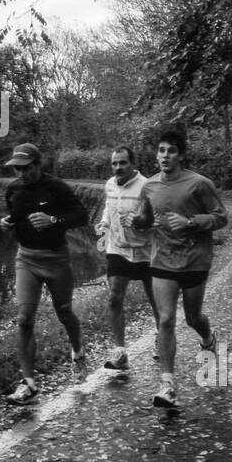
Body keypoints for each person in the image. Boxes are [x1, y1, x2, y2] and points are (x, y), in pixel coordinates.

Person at [131, 128, 228, 409]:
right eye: (161, 150)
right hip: (162, 258)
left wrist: (190, 222)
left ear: (181, 155)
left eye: (171, 151)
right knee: (165, 320)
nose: (165, 156)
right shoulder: (148, 186)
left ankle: (208, 339)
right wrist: (137, 222)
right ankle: (168, 385)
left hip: (195, 259)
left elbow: (221, 218)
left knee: (193, 318)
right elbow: (146, 219)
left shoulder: (199, 184)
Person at [0, 143, 90, 404]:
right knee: (24, 318)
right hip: (26, 258)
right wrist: (5, 224)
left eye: (27, 168)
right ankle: (28, 384)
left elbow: (81, 216)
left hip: (56, 258)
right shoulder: (13, 189)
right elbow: (13, 218)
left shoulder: (57, 188)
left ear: (39, 165)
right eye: (18, 168)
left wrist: (53, 220)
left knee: (64, 312)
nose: (22, 173)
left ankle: (78, 353)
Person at [95, 146, 159, 372]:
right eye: (114, 163)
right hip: (118, 248)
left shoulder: (147, 186)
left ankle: (161, 336)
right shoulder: (110, 184)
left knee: (156, 300)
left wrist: (139, 221)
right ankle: (120, 352)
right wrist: (104, 222)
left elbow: (155, 218)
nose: (118, 167)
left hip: (146, 252)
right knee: (114, 297)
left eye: (122, 163)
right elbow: (107, 207)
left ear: (133, 164)